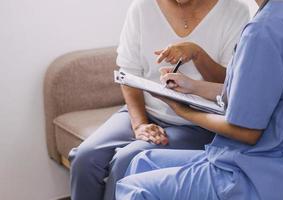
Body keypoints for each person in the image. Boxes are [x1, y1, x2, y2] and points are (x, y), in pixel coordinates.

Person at [116, 0, 283, 199]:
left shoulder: (262, 31)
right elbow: (256, 92)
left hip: (258, 174)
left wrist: (183, 110)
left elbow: (247, 132)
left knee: (134, 188)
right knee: (142, 161)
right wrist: (192, 87)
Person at [68, 0, 250, 199]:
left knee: (126, 160)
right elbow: (128, 73)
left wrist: (197, 54)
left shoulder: (234, 10)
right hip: (145, 110)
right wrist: (140, 124)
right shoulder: (142, 7)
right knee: (85, 157)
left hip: (196, 124)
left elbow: (228, 86)